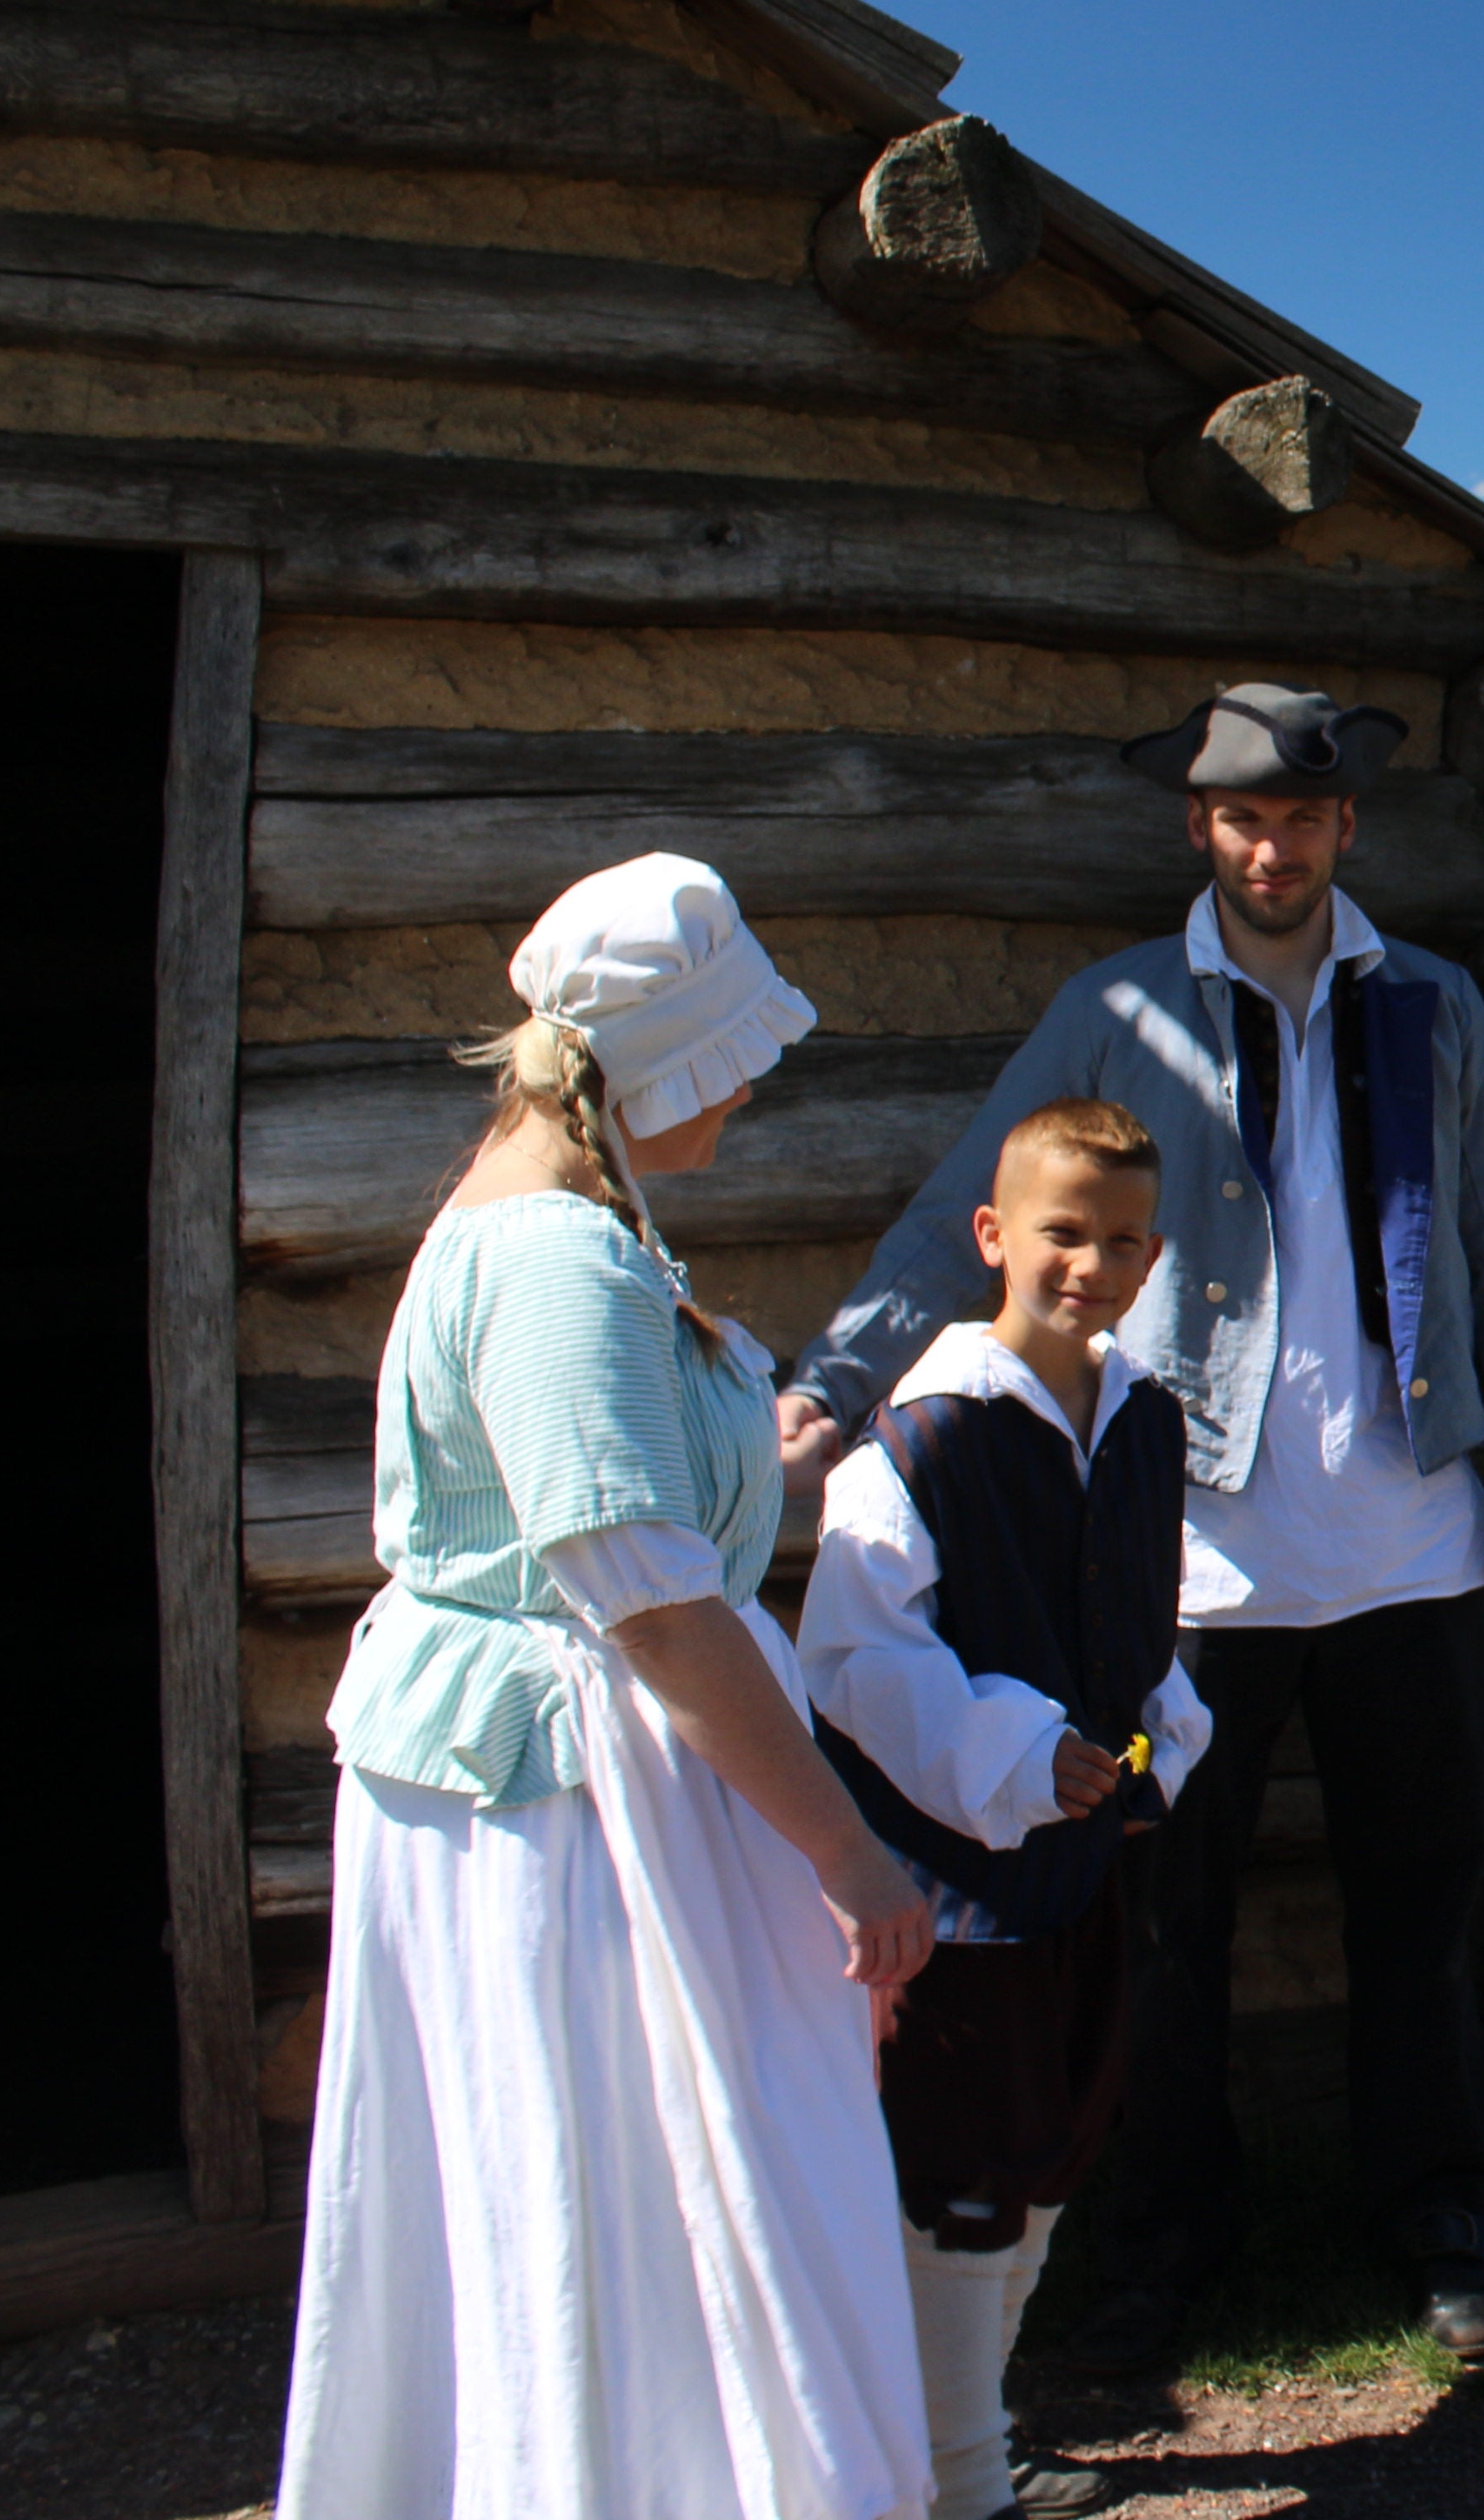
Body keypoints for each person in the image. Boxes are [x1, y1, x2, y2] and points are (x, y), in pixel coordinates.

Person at [782, 683, 1484, 2371]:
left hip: (1416, 1559)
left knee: (1421, 1905)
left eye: (1297, 817)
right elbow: (962, 1217)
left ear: (1347, 826)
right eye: (1237, 819)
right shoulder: (1117, 1007)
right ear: (1197, 831)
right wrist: (841, 1383)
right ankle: (1161, 2231)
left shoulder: (1435, 1010)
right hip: (1183, 1597)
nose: (1269, 845)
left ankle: (1441, 2216)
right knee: (1161, 1918)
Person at [280, 854, 938, 2520]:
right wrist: (846, 1852)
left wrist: (752, 1463)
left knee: (668, 2200)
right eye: (732, 1063)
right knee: (604, 2211)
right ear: (667, 1067)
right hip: (561, 1819)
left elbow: (625, 1505)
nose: (748, 1097)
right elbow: (639, 1591)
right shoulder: (554, 1260)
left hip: (614, 1793)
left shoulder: (588, 1229)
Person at [801, 1096, 1216, 2520]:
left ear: (1152, 1257)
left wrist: (1159, 1735)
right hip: (957, 1883)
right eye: (1059, 1233)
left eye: (1117, 1241)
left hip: (1089, 1862)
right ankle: (955, 2486)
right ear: (993, 1236)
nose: (1087, 1265)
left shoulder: (1145, 1421)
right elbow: (858, 1657)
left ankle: (963, 2446)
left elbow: (1142, 1621)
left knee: (1047, 2161)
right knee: (962, 2183)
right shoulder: (920, 1441)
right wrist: (1016, 1753)